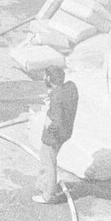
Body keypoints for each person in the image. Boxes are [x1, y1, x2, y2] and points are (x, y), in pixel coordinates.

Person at [34, 66, 79, 204]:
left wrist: (49, 127)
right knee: (45, 157)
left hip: (54, 136)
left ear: (49, 78)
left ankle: (48, 195)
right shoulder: (69, 88)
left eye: (45, 76)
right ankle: (43, 184)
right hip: (65, 133)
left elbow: (57, 121)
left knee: (49, 163)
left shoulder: (57, 97)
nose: (43, 78)